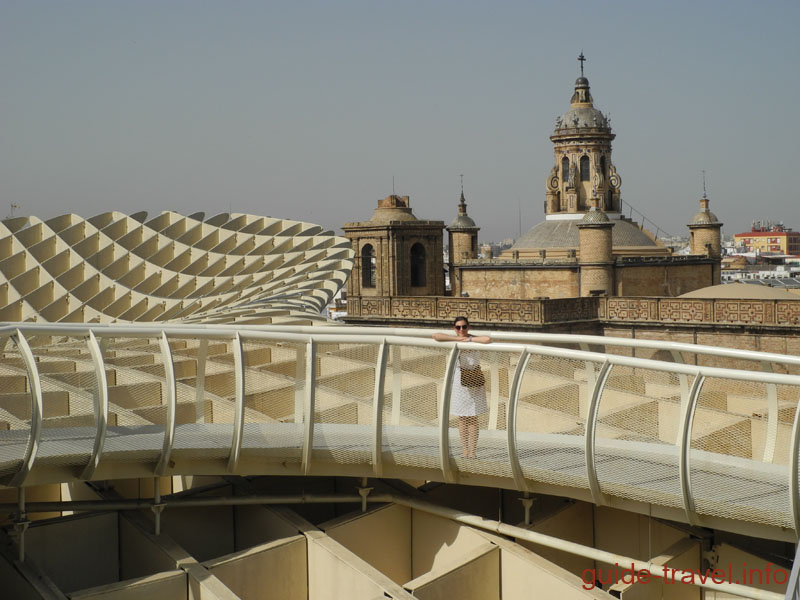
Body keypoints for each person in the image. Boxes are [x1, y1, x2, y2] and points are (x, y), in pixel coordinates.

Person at [432, 316, 491, 458]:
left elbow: (487, 339)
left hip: (474, 380)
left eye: (464, 327)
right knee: (462, 417)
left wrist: (469, 339)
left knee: (473, 416)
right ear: (454, 328)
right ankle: (465, 450)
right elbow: (435, 336)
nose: (461, 329)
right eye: (458, 327)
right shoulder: (454, 339)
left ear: (468, 327)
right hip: (459, 382)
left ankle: (473, 451)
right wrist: (458, 340)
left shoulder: (473, 338)